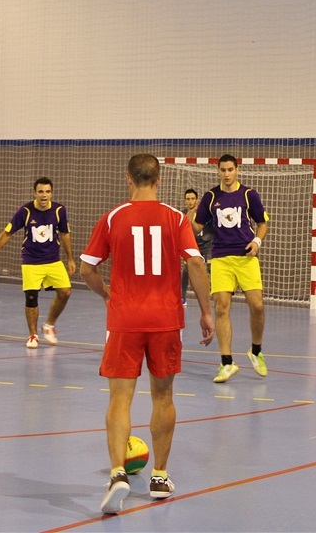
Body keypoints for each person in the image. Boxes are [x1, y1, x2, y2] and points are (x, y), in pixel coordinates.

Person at [80, 154, 215, 515]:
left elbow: (87, 268)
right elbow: (197, 263)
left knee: (120, 400)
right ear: (158, 180)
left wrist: (107, 294)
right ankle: (158, 476)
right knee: (163, 397)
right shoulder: (175, 218)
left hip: (124, 321)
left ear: (129, 179)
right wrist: (205, 311)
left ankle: (117, 474)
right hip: (165, 320)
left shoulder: (113, 217)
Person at [193, 154, 270, 383]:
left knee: (257, 305)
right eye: (223, 170)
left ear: (237, 170)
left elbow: (262, 223)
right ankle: (226, 363)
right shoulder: (210, 196)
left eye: (230, 169)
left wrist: (257, 242)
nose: (226, 174)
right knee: (221, 308)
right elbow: (199, 224)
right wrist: (188, 218)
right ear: (218, 171)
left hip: (246, 258)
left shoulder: (249, 195)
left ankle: (255, 351)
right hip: (220, 258)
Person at [0, 177, 76, 348]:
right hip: (31, 261)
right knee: (31, 297)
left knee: (66, 292)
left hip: (53, 260)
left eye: (47, 192)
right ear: (35, 193)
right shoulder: (25, 211)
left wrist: (70, 258)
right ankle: (33, 335)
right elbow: (7, 232)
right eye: (40, 191)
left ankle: (49, 325)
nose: (44, 195)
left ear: (51, 193)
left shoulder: (59, 210)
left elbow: (65, 234)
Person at [181, 188, 213, 305]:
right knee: (186, 269)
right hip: (192, 244)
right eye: (188, 199)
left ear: (197, 200)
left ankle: (217, 293)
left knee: (211, 266)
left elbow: (212, 227)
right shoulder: (182, 215)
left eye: (192, 199)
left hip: (207, 242)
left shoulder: (204, 212)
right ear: (185, 201)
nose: (190, 201)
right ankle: (182, 297)